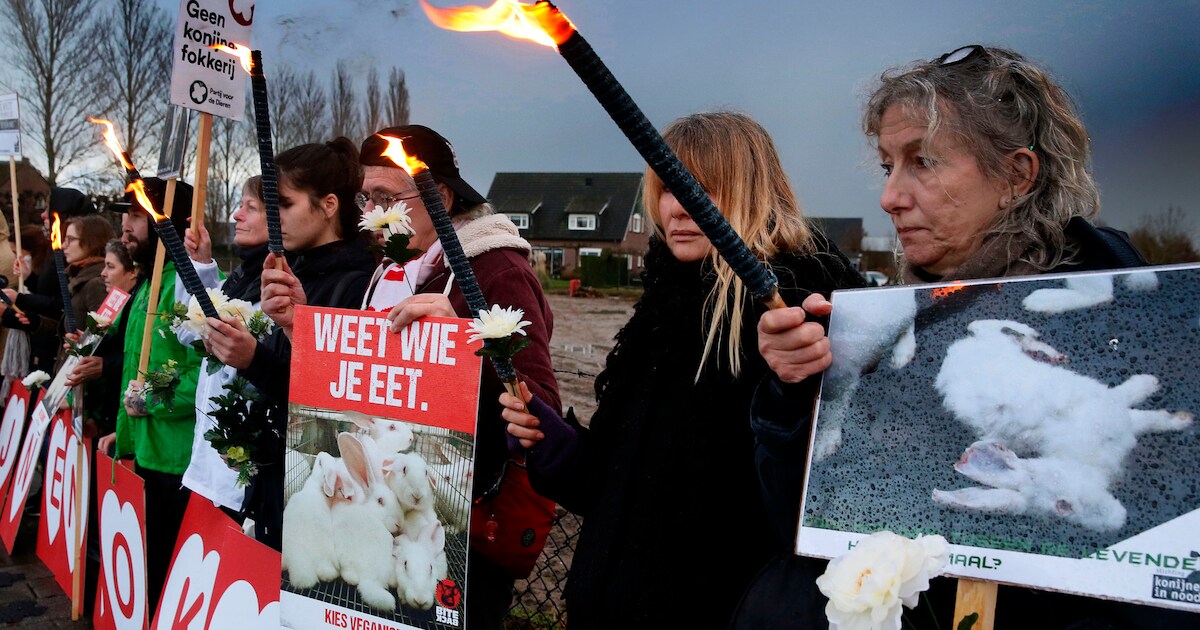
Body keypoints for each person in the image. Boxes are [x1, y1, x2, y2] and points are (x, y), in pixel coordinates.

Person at [744, 45, 1190, 629]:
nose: (889, 197)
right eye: (887, 166)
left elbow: (1159, 573)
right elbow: (799, 530)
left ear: (1016, 174)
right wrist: (795, 390)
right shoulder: (877, 330)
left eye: (922, 161)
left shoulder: (1143, 325)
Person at [497, 111, 865, 628]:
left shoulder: (797, 313)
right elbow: (613, 488)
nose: (678, 208)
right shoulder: (662, 308)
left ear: (755, 191)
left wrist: (796, 390)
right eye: (669, 189)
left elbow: (801, 504)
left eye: (704, 190)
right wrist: (548, 441)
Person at [263, 125, 561, 629]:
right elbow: (365, 383)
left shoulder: (495, 271)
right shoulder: (396, 271)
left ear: (438, 197)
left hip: (461, 539)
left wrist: (464, 347)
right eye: (367, 197)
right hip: (386, 521)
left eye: (386, 197)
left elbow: (540, 414)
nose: (371, 215)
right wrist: (301, 326)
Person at [204, 139, 376, 549]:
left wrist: (253, 359)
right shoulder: (293, 270)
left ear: (329, 205)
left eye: (282, 205)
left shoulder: (359, 284)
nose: (273, 219)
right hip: (272, 476)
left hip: (318, 494)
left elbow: (334, 406)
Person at [98, 177, 202, 614]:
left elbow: (199, 373)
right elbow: (136, 369)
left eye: (136, 214)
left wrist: (151, 402)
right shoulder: (145, 283)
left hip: (176, 461)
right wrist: (121, 431)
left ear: (167, 222)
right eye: (126, 213)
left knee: (165, 579)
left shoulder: (189, 283)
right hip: (146, 449)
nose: (125, 225)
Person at [176, 176, 268, 513]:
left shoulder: (279, 292)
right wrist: (200, 264)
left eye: (250, 207)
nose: (236, 215)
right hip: (209, 467)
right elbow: (190, 332)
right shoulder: (240, 279)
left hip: (239, 480)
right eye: (240, 205)